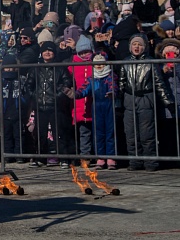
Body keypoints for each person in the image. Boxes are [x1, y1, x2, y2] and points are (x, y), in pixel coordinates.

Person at [118, 33, 175, 171]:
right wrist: (118, 102)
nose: (136, 47)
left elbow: (159, 83)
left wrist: (168, 101)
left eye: (140, 44)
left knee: (147, 133)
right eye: (134, 44)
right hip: (129, 99)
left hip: (146, 98)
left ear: (145, 47)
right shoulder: (125, 62)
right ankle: (135, 162)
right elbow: (121, 83)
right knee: (130, 133)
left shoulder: (151, 62)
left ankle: (150, 162)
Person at [26, 41, 74, 168]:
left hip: (56, 107)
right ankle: (40, 158)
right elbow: (28, 86)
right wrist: (35, 97)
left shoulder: (60, 68)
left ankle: (63, 159)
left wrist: (56, 97)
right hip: (40, 106)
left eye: (50, 50)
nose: (47, 53)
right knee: (39, 134)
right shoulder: (35, 68)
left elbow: (67, 83)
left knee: (59, 133)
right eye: (45, 50)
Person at [75, 52, 118, 169]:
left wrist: (112, 93)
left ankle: (111, 157)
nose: (99, 65)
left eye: (101, 61)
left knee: (110, 131)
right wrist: (75, 94)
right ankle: (101, 157)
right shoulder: (92, 78)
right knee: (98, 132)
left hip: (108, 104)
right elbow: (84, 89)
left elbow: (113, 86)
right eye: (96, 62)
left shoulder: (110, 76)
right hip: (96, 105)